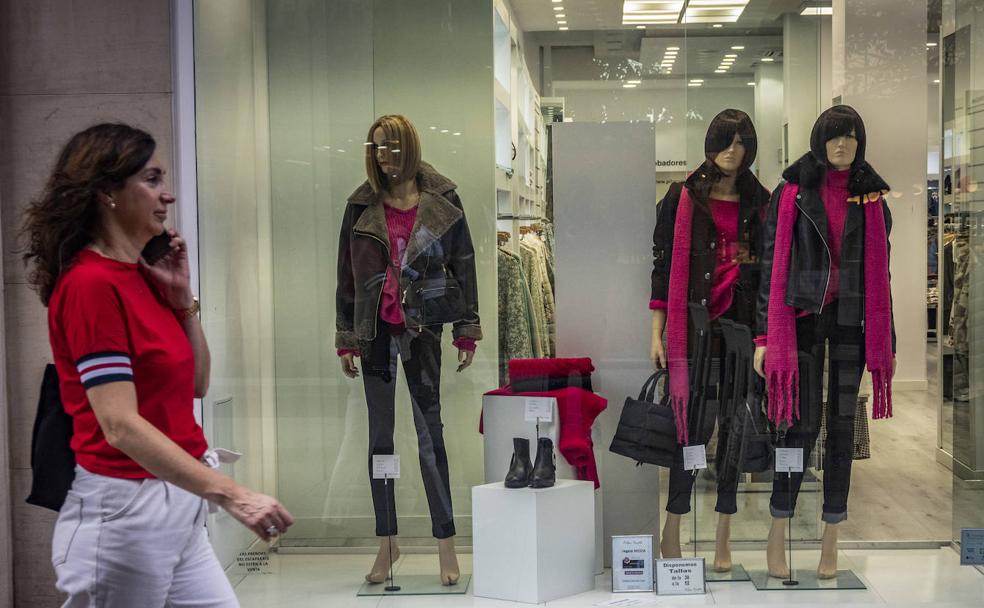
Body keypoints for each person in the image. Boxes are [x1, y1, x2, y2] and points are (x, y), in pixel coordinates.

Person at [21, 123, 293, 606]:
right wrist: (232, 494)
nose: (166, 195)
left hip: (178, 503)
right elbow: (120, 426)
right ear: (106, 191)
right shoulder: (90, 285)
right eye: (150, 179)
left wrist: (181, 298)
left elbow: (198, 383)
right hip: (124, 514)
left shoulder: (144, 276)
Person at [335, 114, 482, 586]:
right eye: (378, 147)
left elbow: (464, 263)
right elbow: (345, 276)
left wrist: (467, 326)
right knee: (381, 438)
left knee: (429, 437)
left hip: (423, 329)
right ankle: (388, 543)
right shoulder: (360, 206)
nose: (385, 156)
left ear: (411, 148)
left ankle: (446, 542)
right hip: (375, 332)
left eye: (393, 147)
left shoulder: (443, 201)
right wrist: (345, 335)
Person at [753, 105, 896, 579]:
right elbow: (768, 270)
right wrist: (762, 337)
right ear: (819, 140)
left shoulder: (873, 200)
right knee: (800, 426)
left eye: (851, 138)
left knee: (842, 431)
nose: (842, 146)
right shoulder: (792, 194)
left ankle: (831, 537)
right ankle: (780, 527)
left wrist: (886, 340)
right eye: (834, 137)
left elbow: (883, 277)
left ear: (860, 144)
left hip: (852, 322)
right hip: (802, 320)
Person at [649, 109, 770, 571]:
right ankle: (673, 526)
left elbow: (764, 275)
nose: (732, 150)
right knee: (690, 429)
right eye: (724, 140)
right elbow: (662, 271)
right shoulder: (682, 198)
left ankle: (724, 530)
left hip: (741, 330)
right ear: (709, 143)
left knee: (735, 430)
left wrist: (765, 336)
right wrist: (657, 333)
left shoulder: (761, 201)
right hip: (693, 329)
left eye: (741, 142)